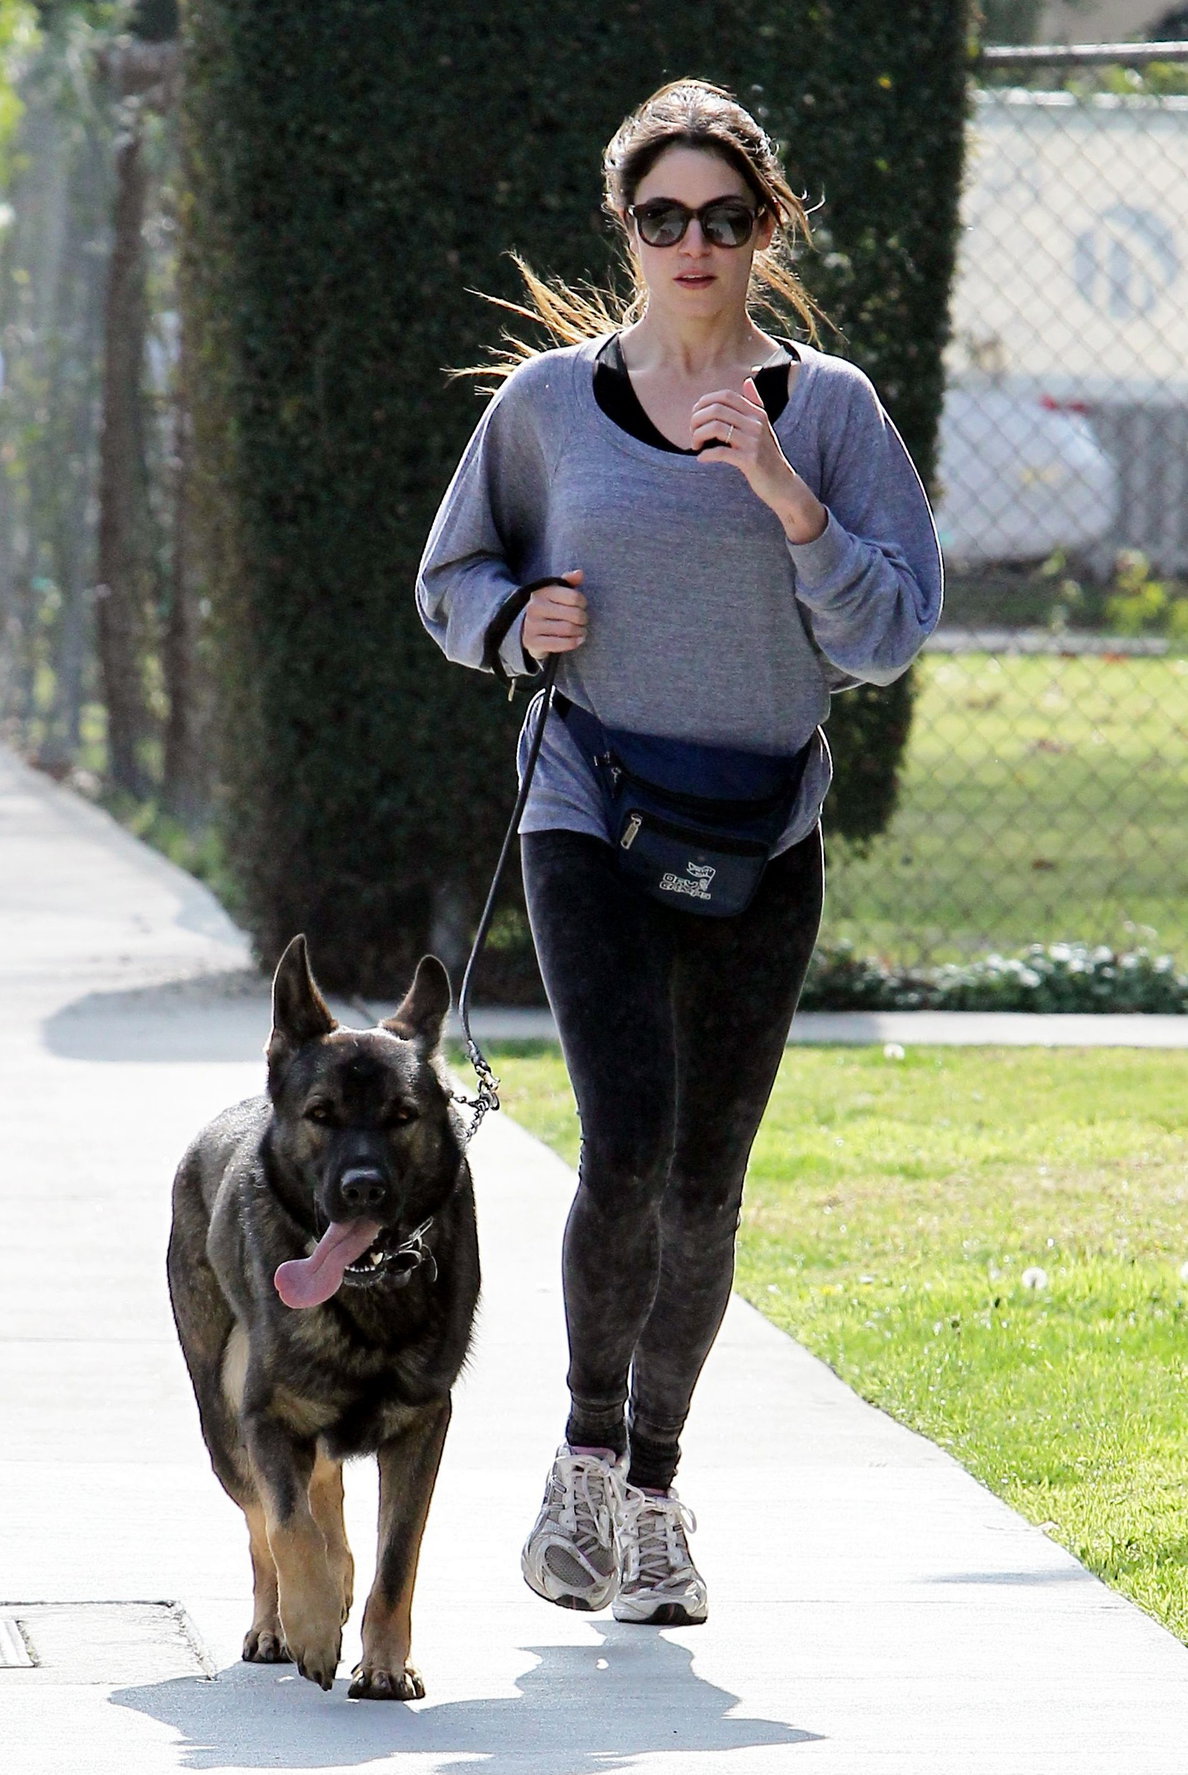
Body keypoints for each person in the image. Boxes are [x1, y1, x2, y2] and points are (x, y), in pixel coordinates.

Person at [417, 78, 941, 1627]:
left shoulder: (830, 410)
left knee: (708, 1182)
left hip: (761, 828)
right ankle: (584, 1461)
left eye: (723, 217)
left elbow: (892, 627)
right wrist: (519, 623)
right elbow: (455, 576)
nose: (693, 242)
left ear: (763, 229)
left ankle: (653, 1495)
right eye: (663, 217)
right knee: (626, 1140)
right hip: (591, 805)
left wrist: (782, 496)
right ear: (626, 228)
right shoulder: (544, 408)